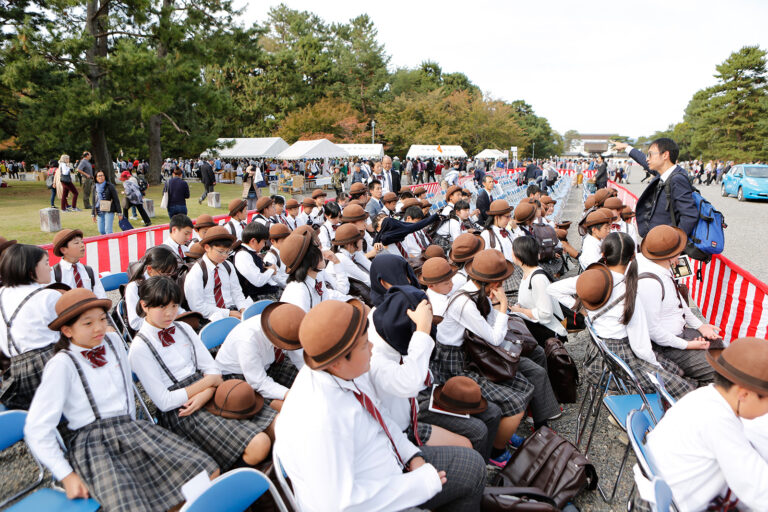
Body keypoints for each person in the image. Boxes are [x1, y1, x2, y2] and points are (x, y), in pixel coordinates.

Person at [275, 298, 486, 512]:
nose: (373, 347)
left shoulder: (346, 373)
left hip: (393, 466)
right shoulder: (320, 421)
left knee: (473, 467)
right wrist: (418, 485)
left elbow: (380, 415)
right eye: (365, 345)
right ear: (338, 363)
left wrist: (411, 456)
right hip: (375, 500)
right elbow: (340, 505)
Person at [24, 288, 218, 508]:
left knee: (205, 471)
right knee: (132, 505)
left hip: (130, 427)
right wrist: (66, 474)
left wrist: (137, 429)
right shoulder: (61, 364)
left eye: (101, 319)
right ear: (67, 331)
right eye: (88, 324)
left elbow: (127, 388)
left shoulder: (114, 341)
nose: (99, 328)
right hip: (94, 444)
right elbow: (36, 428)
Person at [130, 276, 275, 471]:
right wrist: (208, 384)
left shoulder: (182, 327)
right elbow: (164, 401)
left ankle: (272, 477)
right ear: (145, 306)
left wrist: (206, 391)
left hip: (207, 390)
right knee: (259, 444)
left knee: (277, 424)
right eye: (162, 307)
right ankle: (241, 483)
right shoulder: (140, 348)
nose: (169, 313)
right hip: (181, 409)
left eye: (174, 306)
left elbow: (212, 368)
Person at [548, 236, 694, 399]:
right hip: (622, 359)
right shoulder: (629, 293)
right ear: (633, 256)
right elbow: (641, 348)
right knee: (684, 386)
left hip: (599, 358)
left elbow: (553, 289)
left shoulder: (593, 279)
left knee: (675, 373)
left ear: (603, 254)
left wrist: (583, 310)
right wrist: (657, 367)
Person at [429, 250, 535, 462]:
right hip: (454, 365)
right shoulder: (465, 303)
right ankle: (497, 452)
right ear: (494, 284)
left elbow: (489, 324)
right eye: (501, 282)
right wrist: (503, 305)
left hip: (468, 356)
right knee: (515, 404)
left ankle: (504, 433)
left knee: (525, 387)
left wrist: (498, 308)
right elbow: (494, 338)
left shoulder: (472, 291)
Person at [640, 338, 768, 510]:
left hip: (659, 489)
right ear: (744, 394)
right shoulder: (718, 420)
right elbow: (756, 488)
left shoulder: (705, 396)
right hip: (674, 502)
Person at [636, 225, 719, 386]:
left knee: (721, 349)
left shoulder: (657, 268)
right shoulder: (650, 283)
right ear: (672, 255)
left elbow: (679, 303)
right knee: (724, 370)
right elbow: (653, 331)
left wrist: (701, 326)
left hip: (677, 338)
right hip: (667, 346)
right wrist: (687, 345)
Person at [0, 244, 60, 410]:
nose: (50, 269)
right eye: (46, 263)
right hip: (50, 365)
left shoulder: (2, 293)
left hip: (15, 375)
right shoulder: (48, 296)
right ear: (31, 270)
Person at [216, 302, 303, 411]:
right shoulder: (247, 340)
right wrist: (288, 394)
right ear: (277, 343)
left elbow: (299, 358)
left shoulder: (279, 324)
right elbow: (259, 383)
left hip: (268, 364)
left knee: (304, 382)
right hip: (239, 375)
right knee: (286, 407)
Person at [613, 139, 698, 238]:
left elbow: (690, 215)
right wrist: (626, 147)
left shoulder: (677, 178)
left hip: (666, 242)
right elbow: (643, 160)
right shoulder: (664, 173)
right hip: (656, 238)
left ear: (665, 155)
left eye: (650, 155)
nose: (647, 159)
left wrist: (676, 241)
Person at [183, 226, 251, 321]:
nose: (225, 256)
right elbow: (197, 306)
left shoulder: (228, 266)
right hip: (209, 317)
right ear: (207, 247)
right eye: (221, 252)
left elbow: (236, 292)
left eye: (228, 252)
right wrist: (227, 313)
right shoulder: (197, 272)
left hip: (233, 311)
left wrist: (243, 308)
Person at [510, 236, 568, 345]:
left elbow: (545, 314)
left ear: (518, 255)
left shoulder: (537, 278)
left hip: (548, 331)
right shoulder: (527, 274)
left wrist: (520, 311)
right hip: (540, 327)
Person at [278, 227, 351, 311]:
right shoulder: (298, 292)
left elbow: (330, 301)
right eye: (318, 245)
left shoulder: (316, 276)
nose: (322, 249)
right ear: (310, 257)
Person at [124, 246, 180, 332]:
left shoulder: (167, 281)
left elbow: (175, 307)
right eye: (164, 274)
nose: (168, 277)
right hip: (149, 332)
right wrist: (163, 321)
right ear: (150, 269)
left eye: (170, 274)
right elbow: (135, 323)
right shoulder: (134, 287)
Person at [50, 229, 106, 298]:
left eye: (82, 242)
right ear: (63, 250)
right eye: (76, 243)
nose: (82, 245)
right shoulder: (54, 273)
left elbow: (101, 296)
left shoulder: (89, 271)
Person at [232, 222, 280, 302]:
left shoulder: (251, 253)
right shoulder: (242, 255)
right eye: (263, 242)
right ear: (253, 241)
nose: (264, 245)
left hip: (266, 292)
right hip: (256, 297)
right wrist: (271, 270)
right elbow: (258, 281)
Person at [90, 170, 122, 235]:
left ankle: (111, 243)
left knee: (108, 230)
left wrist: (119, 213)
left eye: (102, 175)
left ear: (105, 176)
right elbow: (94, 201)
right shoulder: (95, 187)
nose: (101, 177)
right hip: (99, 210)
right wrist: (93, 213)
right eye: (99, 176)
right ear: (96, 178)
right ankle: (105, 244)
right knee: (101, 230)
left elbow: (116, 200)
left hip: (109, 210)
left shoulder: (110, 186)